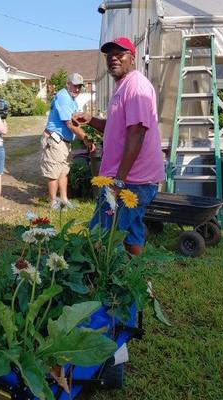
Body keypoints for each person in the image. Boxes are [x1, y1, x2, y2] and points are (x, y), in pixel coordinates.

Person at [72, 37, 164, 256]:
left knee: (102, 235)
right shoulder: (123, 86)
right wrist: (91, 120)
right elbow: (118, 128)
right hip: (129, 179)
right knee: (130, 232)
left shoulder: (137, 86)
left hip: (131, 180)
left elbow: (137, 133)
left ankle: (107, 281)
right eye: (109, 55)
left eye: (120, 54)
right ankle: (136, 281)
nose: (113, 58)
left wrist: (119, 181)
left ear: (132, 58)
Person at [41, 73, 95, 209]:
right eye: (74, 85)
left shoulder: (72, 99)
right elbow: (70, 124)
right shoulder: (63, 97)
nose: (77, 89)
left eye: (79, 87)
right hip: (54, 139)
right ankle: (54, 201)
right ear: (67, 84)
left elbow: (75, 120)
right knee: (54, 171)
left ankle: (64, 199)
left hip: (65, 141)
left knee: (64, 171)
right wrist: (86, 139)